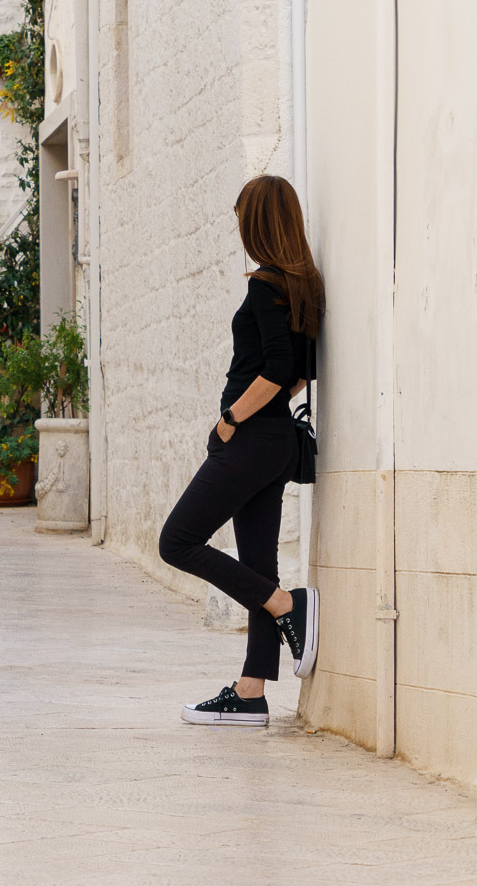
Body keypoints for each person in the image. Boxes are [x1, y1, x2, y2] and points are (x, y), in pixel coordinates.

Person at [158, 174, 324, 727]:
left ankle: (286, 605)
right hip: (276, 441)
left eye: (241, 220)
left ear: (257, 224)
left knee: (177, 540)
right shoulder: (303, 285)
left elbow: (277, 372)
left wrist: (231, 420)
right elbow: (301, 372)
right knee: (257, 563)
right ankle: (251, 692)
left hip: (251, 438)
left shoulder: (263, 285)